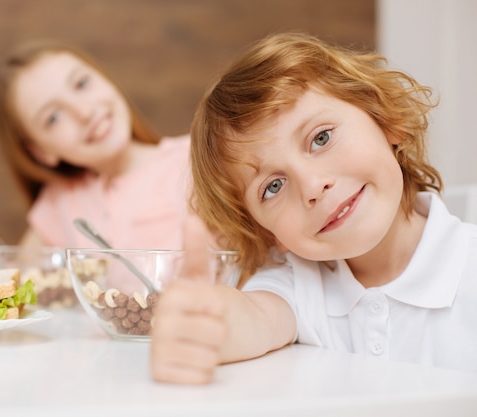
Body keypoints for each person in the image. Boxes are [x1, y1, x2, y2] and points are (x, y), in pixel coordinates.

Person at [150, 32, 477, 385]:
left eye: (321, 138)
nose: (312, 186)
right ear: (267, 233)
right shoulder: (296, 282)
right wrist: (203, 326)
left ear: (385, 120)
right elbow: (253, 318)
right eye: (273, 187)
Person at [0, 40, 213, 251]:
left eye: (82, 83)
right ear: (41, 151)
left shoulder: (202, 160)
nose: (85, 112)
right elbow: (12, 278)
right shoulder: (60, 204)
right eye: (53, 118)